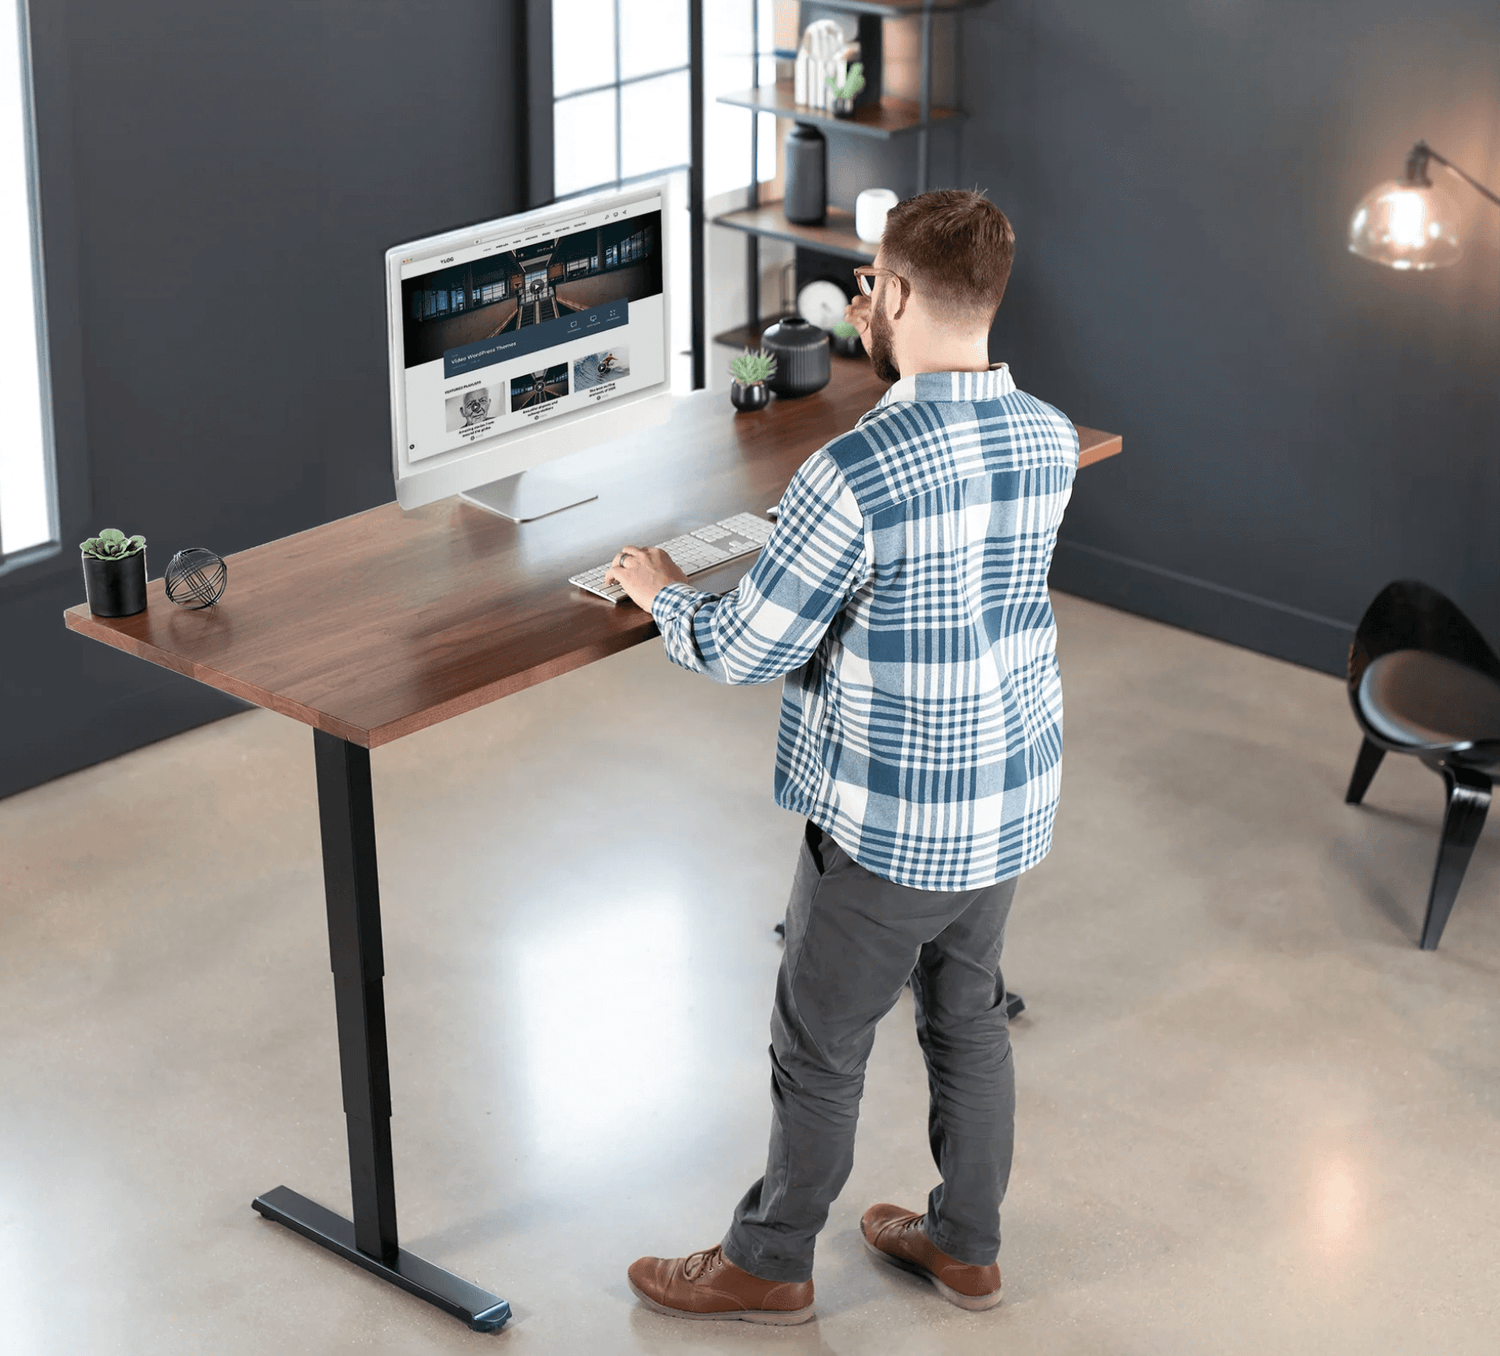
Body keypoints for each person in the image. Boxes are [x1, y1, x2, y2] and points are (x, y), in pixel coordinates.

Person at [603, 189, 1079, 1325]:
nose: (864, 298)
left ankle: (767, 1264)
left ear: (900, 294)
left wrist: (662, 594)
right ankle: (966, 1244)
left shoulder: (856, 472)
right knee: (965, 1016)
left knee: (817, 1047)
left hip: (889, 826)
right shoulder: (1050, 435)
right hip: (1004, 804)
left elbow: (744, 646)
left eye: (869, 280)